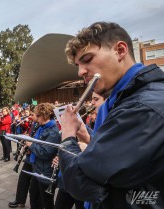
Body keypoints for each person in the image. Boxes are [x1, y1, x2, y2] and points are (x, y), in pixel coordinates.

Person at [59, 22, 164, 208]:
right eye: (78, 65)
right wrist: (88, 137)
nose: (80, 72)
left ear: (120, 50)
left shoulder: (142, 108)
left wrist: (67, 135)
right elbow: (117, 164)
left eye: (88, 59)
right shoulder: (122, 101)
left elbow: (80, 181)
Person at [25, 103, 60, 209]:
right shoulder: (42, 127)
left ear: (45, 115)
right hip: (38, 168)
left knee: (46, 202)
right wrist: (29, 147)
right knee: (34, 196)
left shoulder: (52, 132)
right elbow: (38, 144)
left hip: (46, 172)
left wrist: (31, 145)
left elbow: (46, 153)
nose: (36, 117)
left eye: (38, 115)